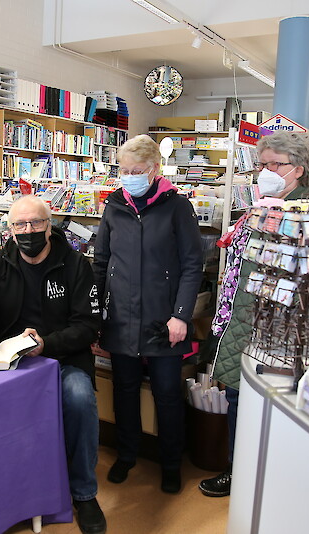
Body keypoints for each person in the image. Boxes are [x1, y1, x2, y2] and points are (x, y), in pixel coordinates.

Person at [0, 195, 106, 534]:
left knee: (79, 399)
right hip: (8, 362)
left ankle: (83, 493)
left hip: (63, 359)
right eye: (20, 224)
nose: (28, 230)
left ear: (49, 226)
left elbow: (88, 326)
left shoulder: (76, 266)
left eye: (36, 223)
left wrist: (47, 344)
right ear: (9, 229)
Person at [199, 131, 309, 498]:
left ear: (299, 168)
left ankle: (269, 479)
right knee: (238, 398)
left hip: (283, 328)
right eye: (263, 164)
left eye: (276, 164)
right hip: (244, 318)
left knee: (276, 403)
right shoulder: (263, 202)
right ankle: (236, 471)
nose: (267, 171)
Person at [93, 134, 203, 494]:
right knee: (124, 390)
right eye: (123, 170)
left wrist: (181, 315)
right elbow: (101, 261)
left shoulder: (177, 206)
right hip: (121, 318)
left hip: (163, 321)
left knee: (167, 393)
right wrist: (96, 312)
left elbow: (192, 265)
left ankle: (171, 463)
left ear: (154, 170)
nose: (129, 177)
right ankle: (127, 455)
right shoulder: (114, 205)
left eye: (136, 170)